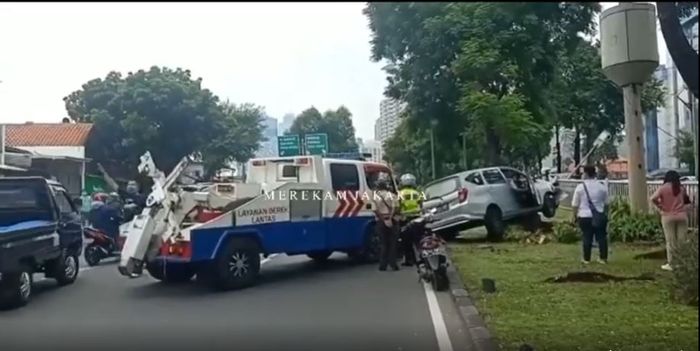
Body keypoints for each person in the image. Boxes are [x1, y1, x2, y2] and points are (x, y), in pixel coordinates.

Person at [650, 170, 691, 271]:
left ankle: (671, 264)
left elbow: (653, 198)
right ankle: (681, 262)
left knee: (670, 241)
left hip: (668, 217)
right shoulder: (681, 188)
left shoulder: (663, 188)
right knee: (681, 241)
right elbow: (688, 202)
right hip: (682, 217)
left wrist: (660, 206)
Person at [571, 165, 609, 264]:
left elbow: (575, 204)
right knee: (601, 237)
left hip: (584, 216)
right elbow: (607, 203)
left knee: (587, 237)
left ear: (586, 174)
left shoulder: (580, 187)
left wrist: (574, 216)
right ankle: (603, 258)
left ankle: (586, 259)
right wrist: (605, 213)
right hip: (599, 215)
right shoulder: (602, 187)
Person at [372, 173, 400, 271]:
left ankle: (382, 265)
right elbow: (396, 208)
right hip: (393, 221)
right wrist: (390, 218)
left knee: (383, 244)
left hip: (380, 222)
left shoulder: (375, 197)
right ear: (387, 186)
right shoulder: (392, 195)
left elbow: (375, 210)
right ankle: (393, 264)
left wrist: (383, 219)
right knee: (393, 243)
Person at [398, 173, 422, 266]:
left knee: (406, 241)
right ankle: (421, 257)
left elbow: (398, 206)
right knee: (418, 239)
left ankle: (409, 260)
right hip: (417, 217)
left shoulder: (400, 193)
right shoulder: (417, 193)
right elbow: (421, 204)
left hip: (405, 218)